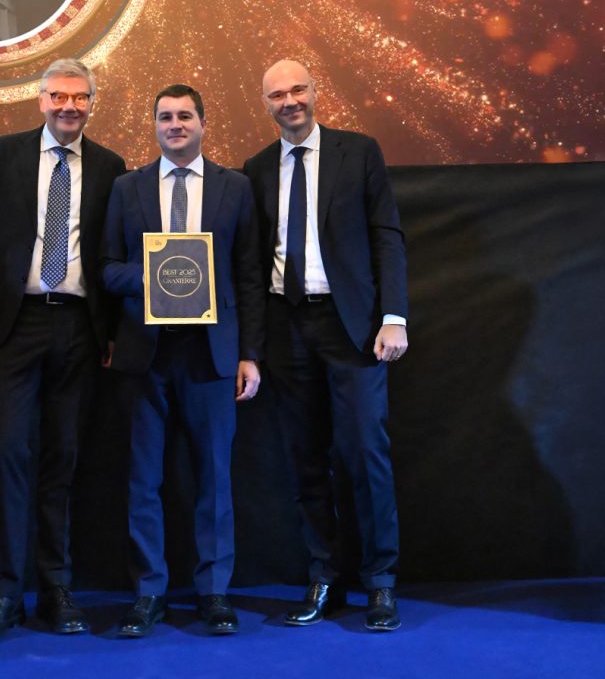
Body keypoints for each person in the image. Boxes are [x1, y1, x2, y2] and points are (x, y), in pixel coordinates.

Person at [0, 57, 125, 642]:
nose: (68, 107)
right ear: (41, 100)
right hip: (15, 324)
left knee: (64, 458)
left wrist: (111, 332)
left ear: (92, 103)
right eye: (58, 96)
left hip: (80, 328)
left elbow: (113, 254)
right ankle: (6, 594)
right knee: (6, 451)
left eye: (79, 98)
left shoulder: (110, 166)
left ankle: (56, 589)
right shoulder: (2, 155)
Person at [243, 60, 408, 632]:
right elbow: (251, 264)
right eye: (277, 94)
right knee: (305, 460)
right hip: (286, 328)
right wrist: (251, 346)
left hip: (353, 328)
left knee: (364, 452)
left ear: (316, 92)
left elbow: (387, 236)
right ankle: (324, 578)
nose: (289, 101)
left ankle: (380, 583)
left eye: (298, 90)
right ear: (265, 104)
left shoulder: (358, 152)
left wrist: (393, 317)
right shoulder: (256, 169)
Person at [101, 84, 264, 637]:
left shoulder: (235, 187)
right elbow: (107, 267)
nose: (175, 124)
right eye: (165, 117)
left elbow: (249, 276)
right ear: (154, 125)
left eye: (185, 116)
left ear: (202, 123)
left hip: (211, 353)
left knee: (214, 478)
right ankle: (148, 592)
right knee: (143, 479)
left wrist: (250, 354)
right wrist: (155, 274)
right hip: (145, 353)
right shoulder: (126, 188)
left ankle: (214, 592)